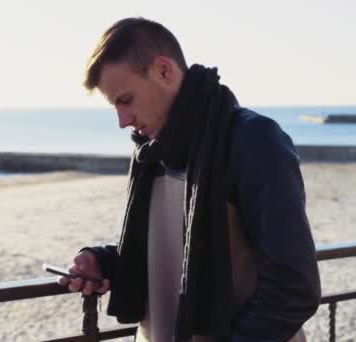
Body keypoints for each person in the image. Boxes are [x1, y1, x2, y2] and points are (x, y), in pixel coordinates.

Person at [58, 17, 321, 341]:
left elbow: (294, 286)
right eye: (115, 106)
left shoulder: (251, 140)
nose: (122, 121)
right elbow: (177, 251)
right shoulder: (149, 151)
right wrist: (104, 261)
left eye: (125, 100)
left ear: (164, 71)